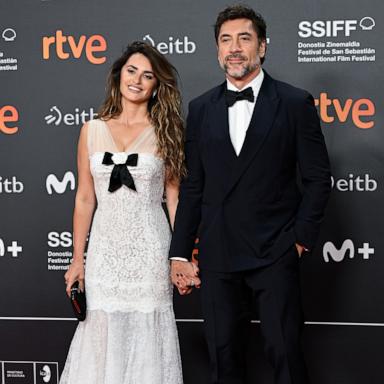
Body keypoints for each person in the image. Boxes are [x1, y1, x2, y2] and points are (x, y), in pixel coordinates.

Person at [169, 5, 331, 384]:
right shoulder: (201, 108)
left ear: (262, 47)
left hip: (275, 252)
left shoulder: (294, 103)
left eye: (245, 38)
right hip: (218, 254)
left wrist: (299, 241)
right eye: (226, 40)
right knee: (224, 363)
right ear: (217, 50)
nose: (235, 48)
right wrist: (179, 253)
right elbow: (193, 188)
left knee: (285, 357)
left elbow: (318, 179)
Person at [61, 41, 184, 384]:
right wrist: (77, 259)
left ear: (157, 85)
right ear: (118, 76)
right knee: (101, 335)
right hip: (104, 252)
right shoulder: (91, 130)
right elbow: (85, 198)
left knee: (148, 334)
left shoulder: (166, 133)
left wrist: (181, 256)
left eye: (148, 76)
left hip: (150, 251)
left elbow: (174, 199)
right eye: (132, 71)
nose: (138, 80)